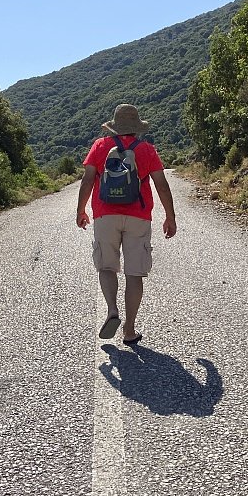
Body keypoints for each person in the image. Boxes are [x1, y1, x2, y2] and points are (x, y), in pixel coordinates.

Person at [76, 104, 176, 345]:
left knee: (106, 267)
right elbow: (161, 184)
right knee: (134, 274)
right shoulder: (147, 149)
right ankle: (129, 330)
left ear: (114, 127)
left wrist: (80, 210)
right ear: (137, 128)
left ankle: (112, 310)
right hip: (138, 217)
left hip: (105, 216)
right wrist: (170, 216)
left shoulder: (100, 146)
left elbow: (88, 179)